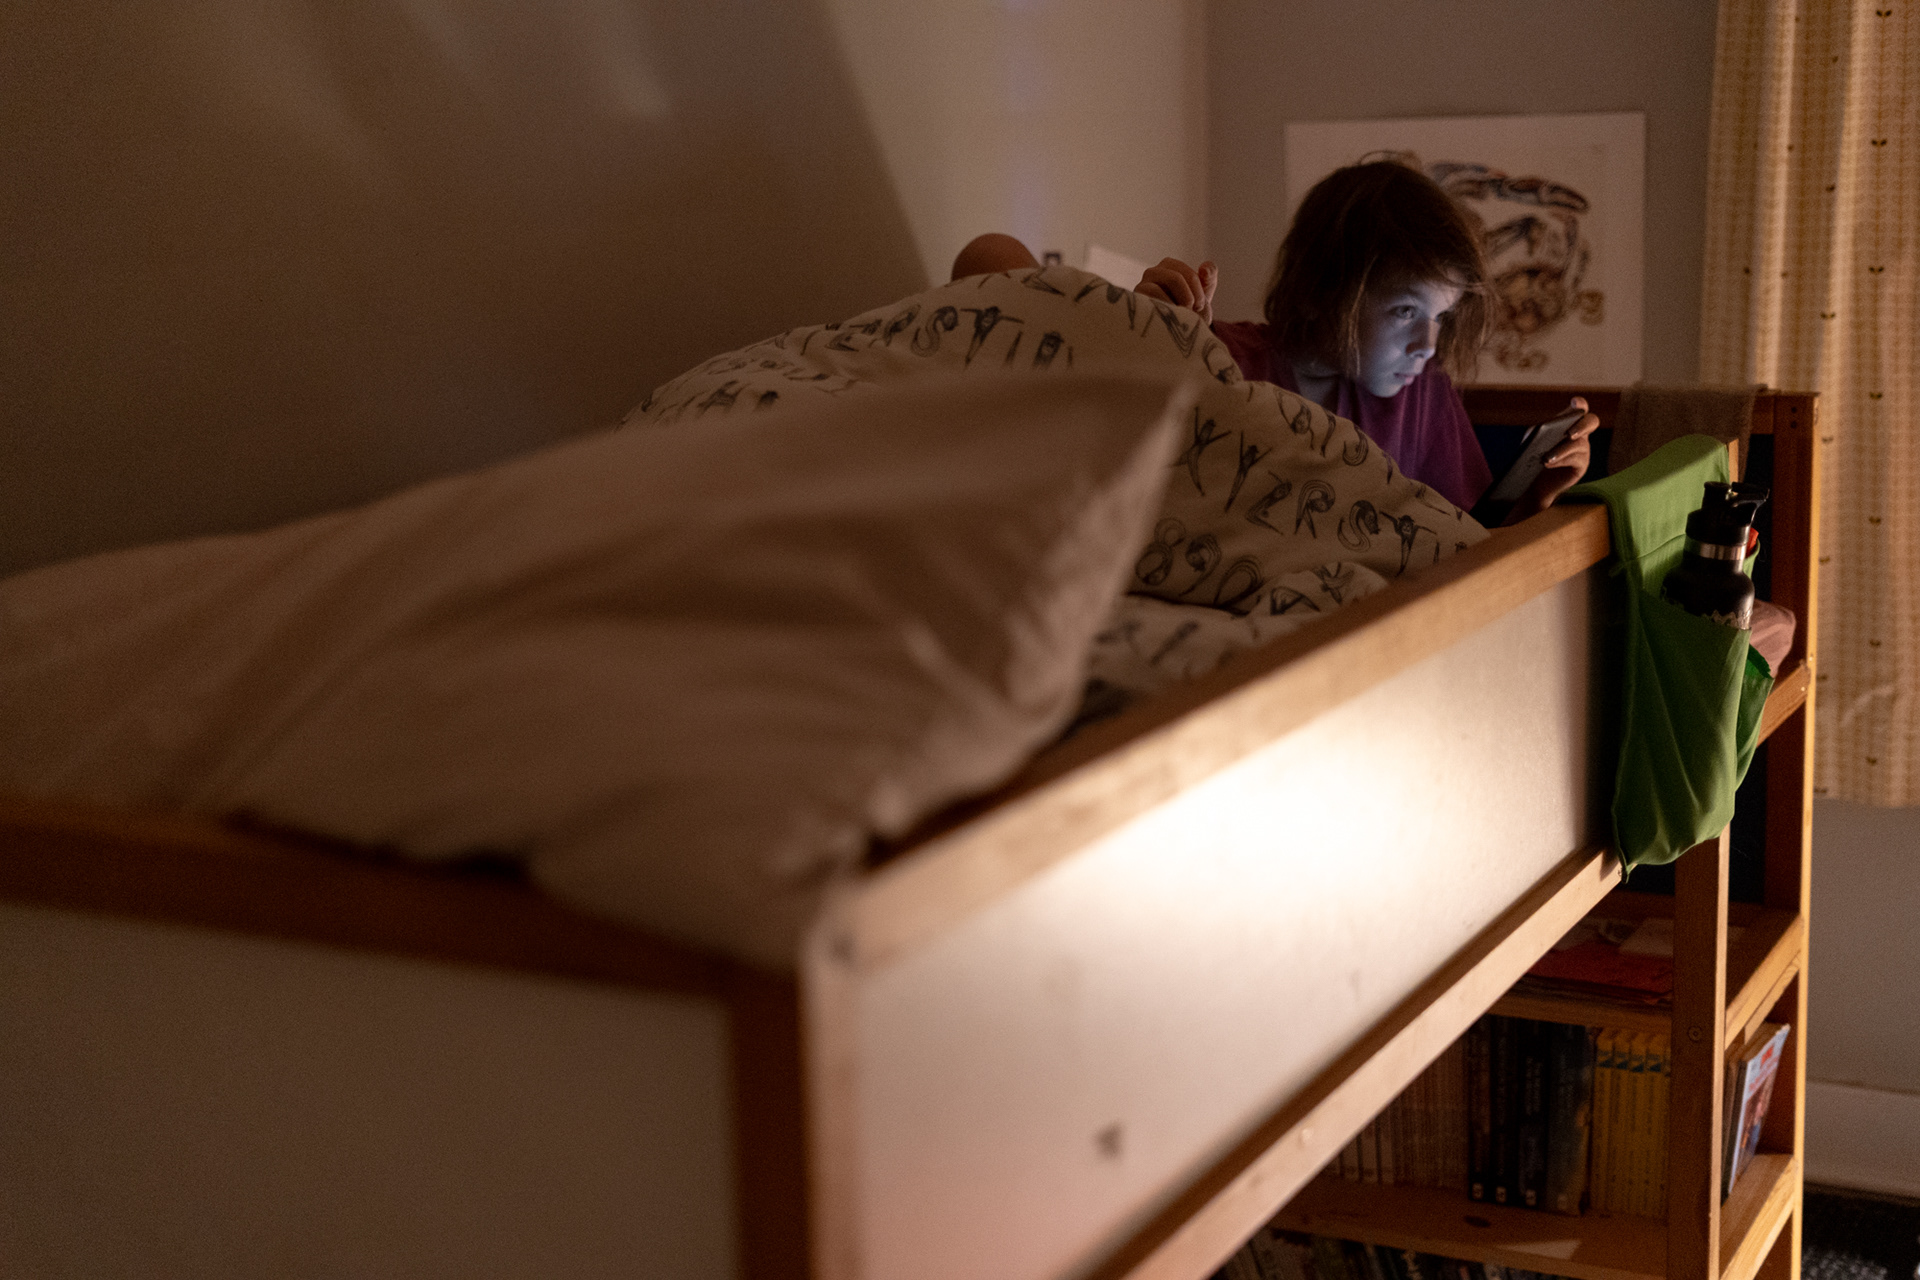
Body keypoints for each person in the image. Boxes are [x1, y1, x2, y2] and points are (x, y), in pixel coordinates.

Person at [1130, 160, 1596, 523]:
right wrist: (1148, 334)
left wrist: (1537, 495)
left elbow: (1469, 544)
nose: (1427, 344)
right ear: (1319, 292)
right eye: (1405, 311)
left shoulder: (1423, 390)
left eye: (1441, 316)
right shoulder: (1223, 359)